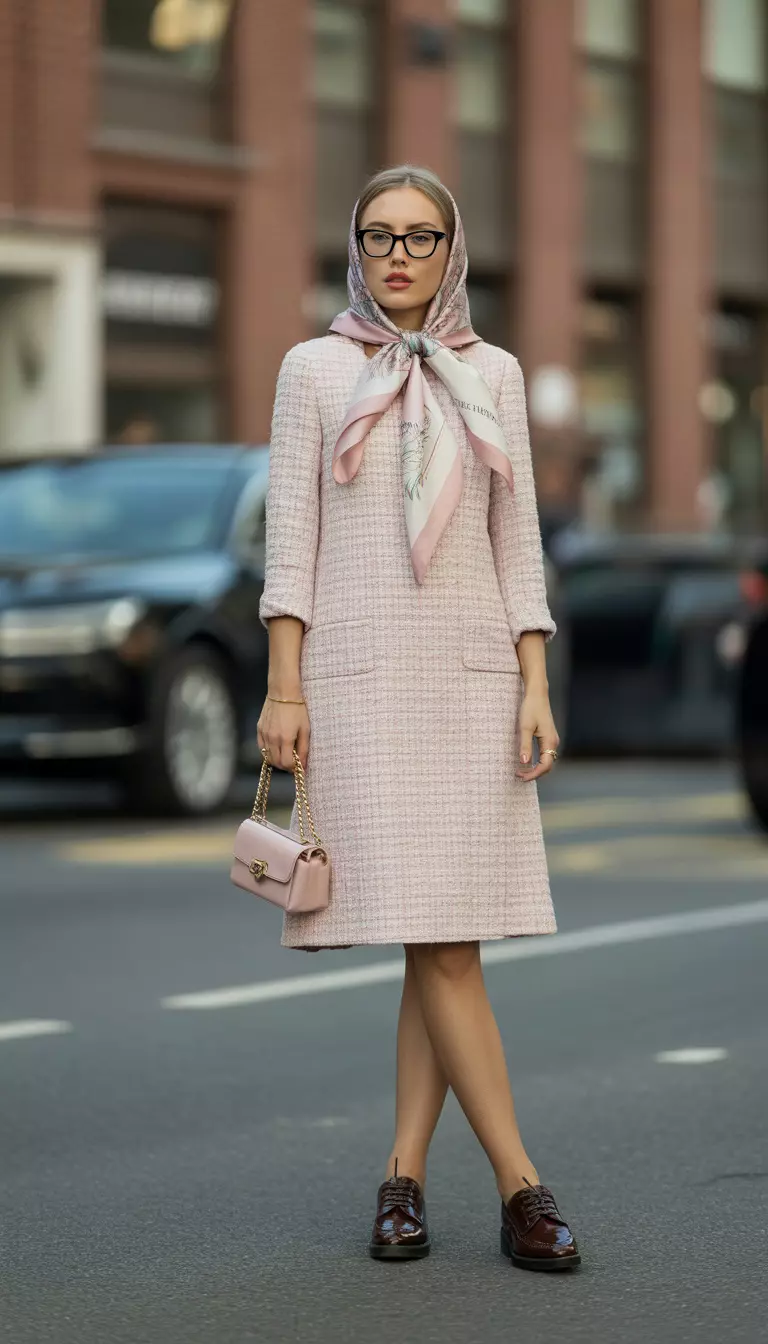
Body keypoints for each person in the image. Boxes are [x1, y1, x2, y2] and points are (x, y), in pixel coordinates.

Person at [256, 165, 580, 1271]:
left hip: (472, 678)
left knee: (439, 938)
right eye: (379, 234)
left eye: (422, 236)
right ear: (354, 247)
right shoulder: (311, 369)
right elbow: (289, 539)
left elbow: (516, 541)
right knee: (438, 940)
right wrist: (283, 686)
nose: (399, 253)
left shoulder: (496, 371)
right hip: (357, 685)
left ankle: (403, 1179)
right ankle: (521, 1184)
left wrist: (534, 684)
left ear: (454, 252)